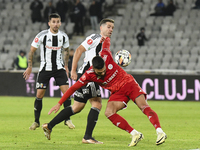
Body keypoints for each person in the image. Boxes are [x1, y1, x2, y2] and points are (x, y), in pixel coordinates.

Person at [42, 37, 167, 146]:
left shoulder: (106, 55)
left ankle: (160, 132)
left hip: (129, 84)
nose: (102, 73)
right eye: (99, 72)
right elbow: (72, 88)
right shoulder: (88, 75)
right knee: (108, 112)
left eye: (104, 70)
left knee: (143, 106)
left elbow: (107, 42)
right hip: (117, 92)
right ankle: (135, 134)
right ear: (94, 69)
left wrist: (105, 36)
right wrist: (59, 103)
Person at [42, 18, 114, 144]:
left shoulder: (104, 42)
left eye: (112, 28)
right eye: (108, 27)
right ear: (101, 28)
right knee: (97, 104)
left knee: (77, 106)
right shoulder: (96, 37)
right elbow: (79, 50)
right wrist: (73, 70)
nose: (111, 29)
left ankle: (49, 125)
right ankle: (87, 137)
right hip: (88, 74)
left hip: (86, 74)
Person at [23, 13, 75, 130]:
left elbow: (66, 51)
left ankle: (68, 120)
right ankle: (36, 121)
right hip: (45, 69)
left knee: (67, 93)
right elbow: (31, 51)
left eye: (58, 22)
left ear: (60, 23)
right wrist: (30, 66)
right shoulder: (42, 35)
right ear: (49, 23)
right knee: (39, 95)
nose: (56, 24)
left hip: (59, 68)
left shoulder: (64, 36)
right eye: (54, 22)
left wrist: (66, 66)